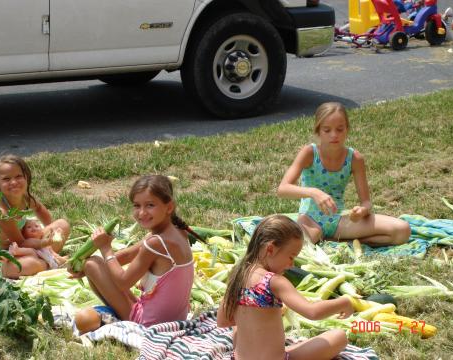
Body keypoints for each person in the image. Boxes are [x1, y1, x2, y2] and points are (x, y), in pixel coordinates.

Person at [217, 214, 353, 360]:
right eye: (291, 257)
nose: (292, 265)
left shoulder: (237, 274)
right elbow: (312, 312)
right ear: (270, 249)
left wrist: (255, 320)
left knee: (239, 330)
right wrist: (344, 302)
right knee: (339, 336)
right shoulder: (274, 281)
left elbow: (223, 321)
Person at [72, 175, 197, 333]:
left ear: (169, 207)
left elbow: (123, 283)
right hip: (175, 320)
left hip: (151, 324)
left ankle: (115, 316)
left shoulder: (156, 243)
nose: (142, 212)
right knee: (93, 264)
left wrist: (105, 249)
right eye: (137, 206)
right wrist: (82, 267)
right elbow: (127, 255)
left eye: (150, 205)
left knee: (92, 265)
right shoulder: (177, 231)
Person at [277, 102, 410, 246]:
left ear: (347, 129)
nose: (334, 135)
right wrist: (314, 193)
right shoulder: (309, 153)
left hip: (340, 221)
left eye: (340, 129)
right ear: (318, 131)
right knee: (296, 248)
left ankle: (341, 240)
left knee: (403, 231)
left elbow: (366, 202)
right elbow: (282, 189)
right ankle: (339, 239)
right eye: (327, 130)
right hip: (310, 219)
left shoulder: (355, 158)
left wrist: (362, 211)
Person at [0, 154, 70, 278]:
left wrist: (50, 234)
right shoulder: (1, 212)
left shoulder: (25, 199)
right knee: (26, 264)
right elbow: (20, 243)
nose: (13, 182)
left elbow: (39, 209)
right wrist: (45, 245)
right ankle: (47, 262)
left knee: (62, 224)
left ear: (26, 178)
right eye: (6, 179)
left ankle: (46, 260)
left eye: (18, 176)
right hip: (5, 255)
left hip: (28, 245)